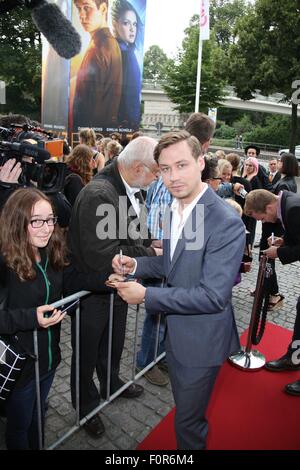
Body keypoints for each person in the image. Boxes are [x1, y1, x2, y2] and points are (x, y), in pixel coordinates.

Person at [111, 131, 245, 449]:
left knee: (187, 422)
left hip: (201, 343)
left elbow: (213, 295)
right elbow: (173, 267)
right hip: (177, 333)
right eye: (165, 169)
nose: (173, 176)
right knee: (185, 414)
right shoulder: (177, 207)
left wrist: (146, 296)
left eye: (181, 165)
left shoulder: (225, 221)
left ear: (201, 163)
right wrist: (137, 266)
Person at [0, 187, 109, 449]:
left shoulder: (52, 251)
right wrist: (31, 318)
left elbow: (74, 282)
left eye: (50, 219)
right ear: (17, 221)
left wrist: (109, 279)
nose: (46, 228)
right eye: (36, 221)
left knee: (39, 416)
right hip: (20, 366)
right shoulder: (4, 264)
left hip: (49, 360)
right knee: (19, 426)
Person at [68, 136, 161, 438]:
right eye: (156, 171)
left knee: (114, 342)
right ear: (138, 168)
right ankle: (86, 408)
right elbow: (103, 256)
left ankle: (111, 382)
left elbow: (136, 232)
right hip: (94, 291)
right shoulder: (99, 193)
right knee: (86, 354)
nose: (159, 178)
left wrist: (149, 242)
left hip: (117, 289)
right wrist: (151, 254)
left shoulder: (129, 187)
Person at [244, 189, 300, 396]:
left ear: (269, 207)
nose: (265, 222)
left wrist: (280, 253)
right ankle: (294, 357)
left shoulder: (294, 208)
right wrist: (283, 241)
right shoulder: (287, 205)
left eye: (264, 218)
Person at [72, 0, 122, 130]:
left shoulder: (98, 47)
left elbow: (86, 105)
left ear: (104, 9)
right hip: (101, 132)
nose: (81, 15)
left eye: (87, 8)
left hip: (88, 134)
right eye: (79, 9)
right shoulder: (110, 43)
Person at [111, 0, 143, 130]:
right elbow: (130, 96)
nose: (132, 29)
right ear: (115, 24)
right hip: (124, 123)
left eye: (134, 24)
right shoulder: (125, 54)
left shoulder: (126, 51)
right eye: (126, 23)